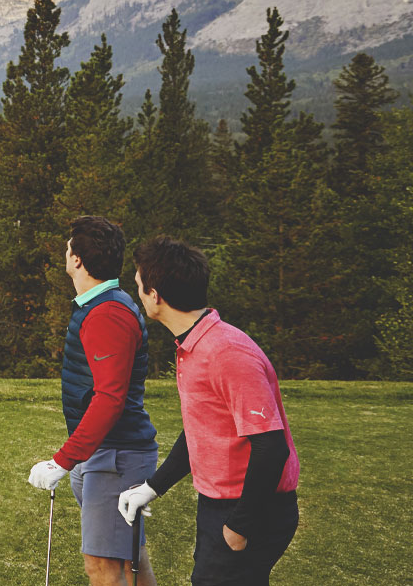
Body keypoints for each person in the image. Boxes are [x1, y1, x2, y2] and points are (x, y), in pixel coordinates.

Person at [116, 236, 301, 585]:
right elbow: (203, 431)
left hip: (250, 507)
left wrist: (239, 525)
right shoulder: (194, 344)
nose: (138, 294)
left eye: (139, 286)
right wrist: (152, 487)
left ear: (155, 295)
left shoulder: (225, 353)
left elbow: (271, 445)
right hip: (221, 504)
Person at [25, 216, 159, 585]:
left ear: (79, 259)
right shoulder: (101, 305)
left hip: (116, 456)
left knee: (104, 568)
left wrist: (61, 461)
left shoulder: (108, 313)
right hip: (105, 455)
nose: (66, 252)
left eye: (69, 246)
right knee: (130, 561)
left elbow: (110, 399)